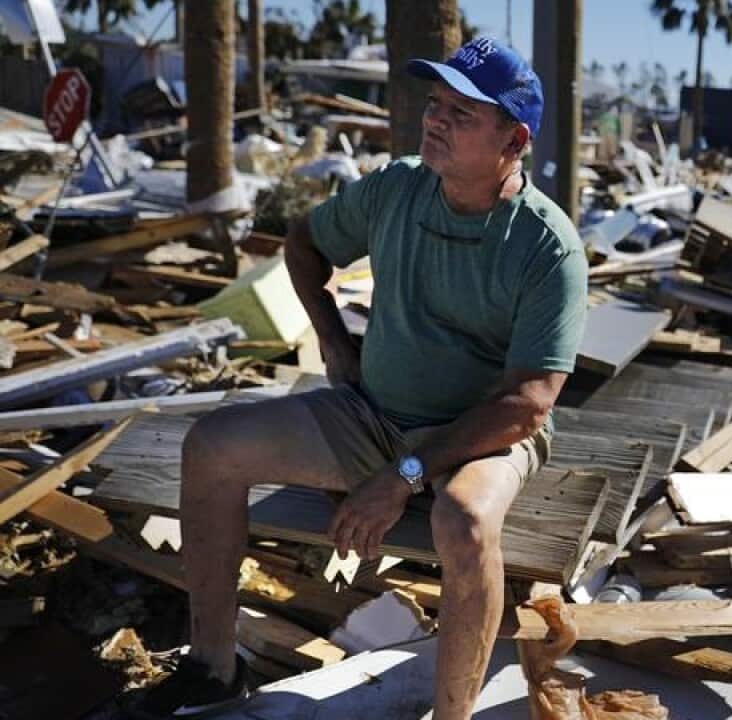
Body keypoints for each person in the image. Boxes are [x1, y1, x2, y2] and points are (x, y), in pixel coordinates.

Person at [138, 37, 587, 719]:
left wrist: (403, 474)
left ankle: (453, 714)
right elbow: (303, 243)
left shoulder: (547, 246)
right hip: (373, 412)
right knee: (210, 446)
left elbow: (527, 404)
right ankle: (212, 666)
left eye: (462, 115)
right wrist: (332, 339)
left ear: (514, 139)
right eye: (435, 105)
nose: (434, 120)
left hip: (482, 435)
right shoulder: (397, 187)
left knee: (463, 521)